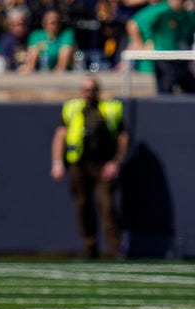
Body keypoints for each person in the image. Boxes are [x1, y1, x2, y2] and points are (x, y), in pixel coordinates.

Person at [50, 76, 129, 260]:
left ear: (97, 91)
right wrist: (57, 162)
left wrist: (116, 162)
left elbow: (123, 137)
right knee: (82, 206)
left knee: (107, 205)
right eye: (85, 89)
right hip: (79, 164)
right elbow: (60, 135)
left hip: (102, 164)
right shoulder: (72, 108)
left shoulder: (110, 108)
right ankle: (89, 247)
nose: (88, 93)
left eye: (91, 89)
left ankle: (115, 250)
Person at [126, 0, 195, 94]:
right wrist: (140, 43)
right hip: (162, 57)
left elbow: (189, 37)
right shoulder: (160, 9)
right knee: (166, 86)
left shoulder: (186, 15)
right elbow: (133, 24)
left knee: (189, 85)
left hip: (180, 58)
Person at [21, 9, 76, 73]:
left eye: (58, 22)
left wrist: (59, 70)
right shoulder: (36, 35)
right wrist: (30, 68)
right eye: (53, 23)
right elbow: (32, 56)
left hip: (64, 74)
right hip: (42, 72)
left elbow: (63, 61)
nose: (56, 25)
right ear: (44, 23)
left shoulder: (67, 34)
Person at [0, 5, 30, 71]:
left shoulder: (32, 38)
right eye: (15, 25)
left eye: (21, 24)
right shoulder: (6, 41)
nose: (19, 28)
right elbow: (4, 63)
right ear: (10, 26)